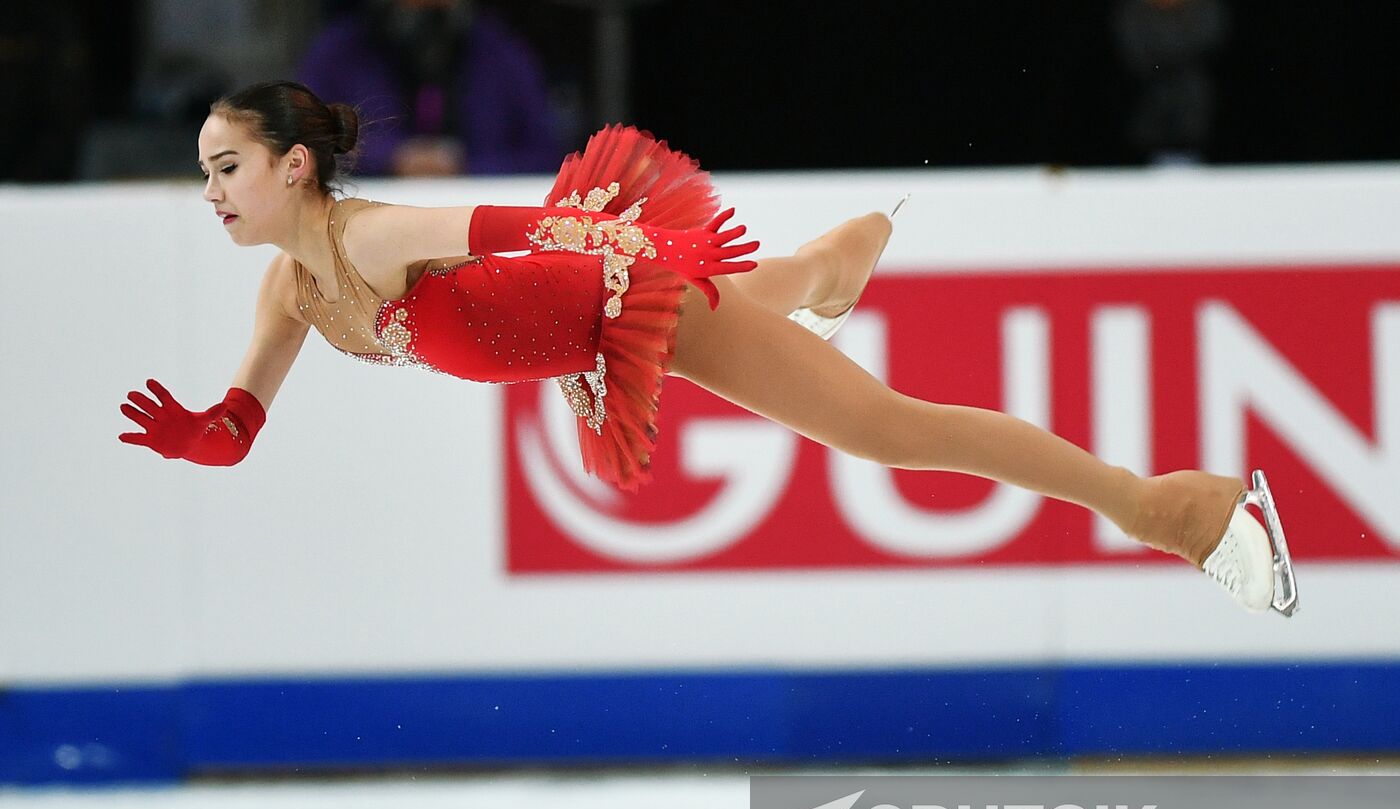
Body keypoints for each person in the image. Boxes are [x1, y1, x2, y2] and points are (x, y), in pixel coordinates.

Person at [117, 81, 1297, 617]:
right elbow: (240, 422)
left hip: (626, 295)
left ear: (294, 168)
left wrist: (635, 251)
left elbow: (525, 227)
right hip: (580, 333)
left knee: (889, 433)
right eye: (205, 170)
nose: (210, 189)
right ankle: (826, 265)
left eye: (227, 166)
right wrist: (206, 437)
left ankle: (1169, 511)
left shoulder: (374, 241)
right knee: (780, 301)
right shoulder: (288, 293)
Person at [297, 0, 560, 177]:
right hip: (364, 212)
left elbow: (545, 153)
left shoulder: (503, 54)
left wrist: (465, 164)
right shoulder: (339, 53)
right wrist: (392, 158)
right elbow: (305, 144)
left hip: (477, 209)